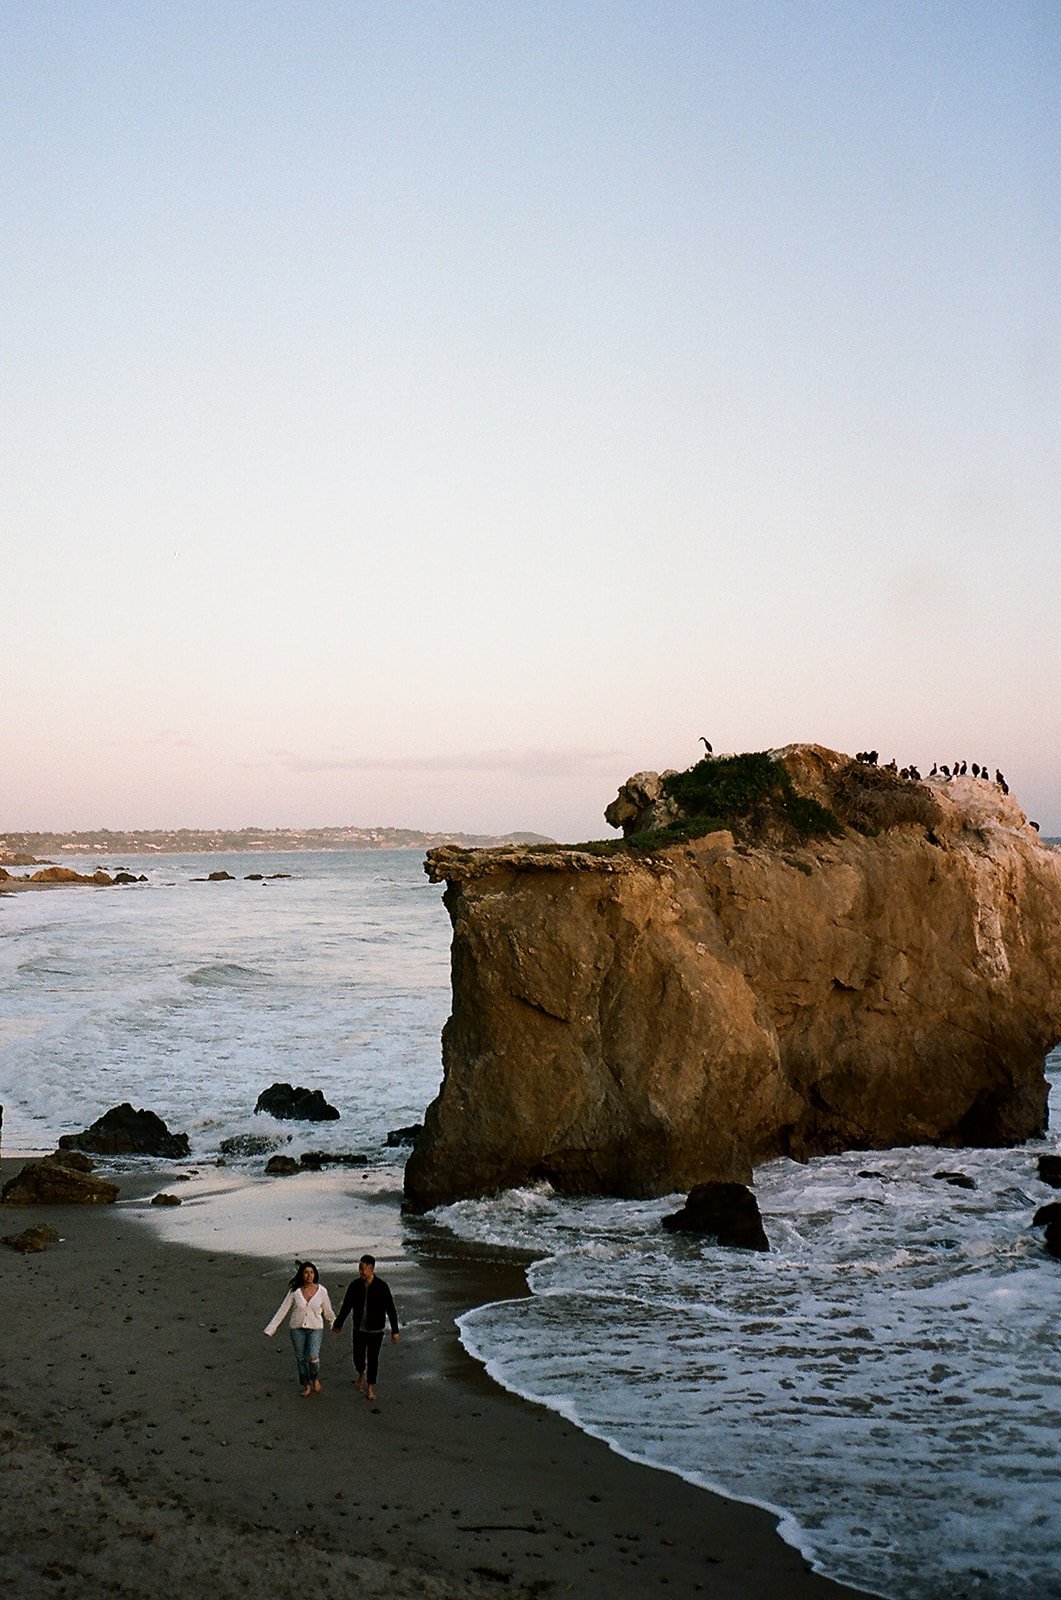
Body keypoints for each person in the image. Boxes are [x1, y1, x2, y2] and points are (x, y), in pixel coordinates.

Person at [333, 1254, 399, 1402]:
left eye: (363, 1269)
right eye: (359, 1268)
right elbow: (347, 1306)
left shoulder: (382, 1286)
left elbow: (391, 1309)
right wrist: (339, 1323)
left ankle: (370, 1387)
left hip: (376, 1330)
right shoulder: (354, 1286)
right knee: (358, 1356)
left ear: (371, 1269)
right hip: (359, 1329)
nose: (361, 1272)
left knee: (373, 1358)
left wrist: (395, 1331)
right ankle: (360, 1372)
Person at [264, 1261, 336, 1397]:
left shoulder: (322, 1291)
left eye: (311, 1272)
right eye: (306, 1272)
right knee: (301, 1358)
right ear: (302, 1275)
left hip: (315, 1328)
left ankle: (314, 1378)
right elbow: (283, 1310)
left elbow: (328, 1311)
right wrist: (271, 1328)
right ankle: (306, 1385)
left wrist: (334, 1324)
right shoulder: (295, 1291)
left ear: (315, 1274)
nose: (309, 1275)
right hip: (297, 1329)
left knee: (313, 1357)